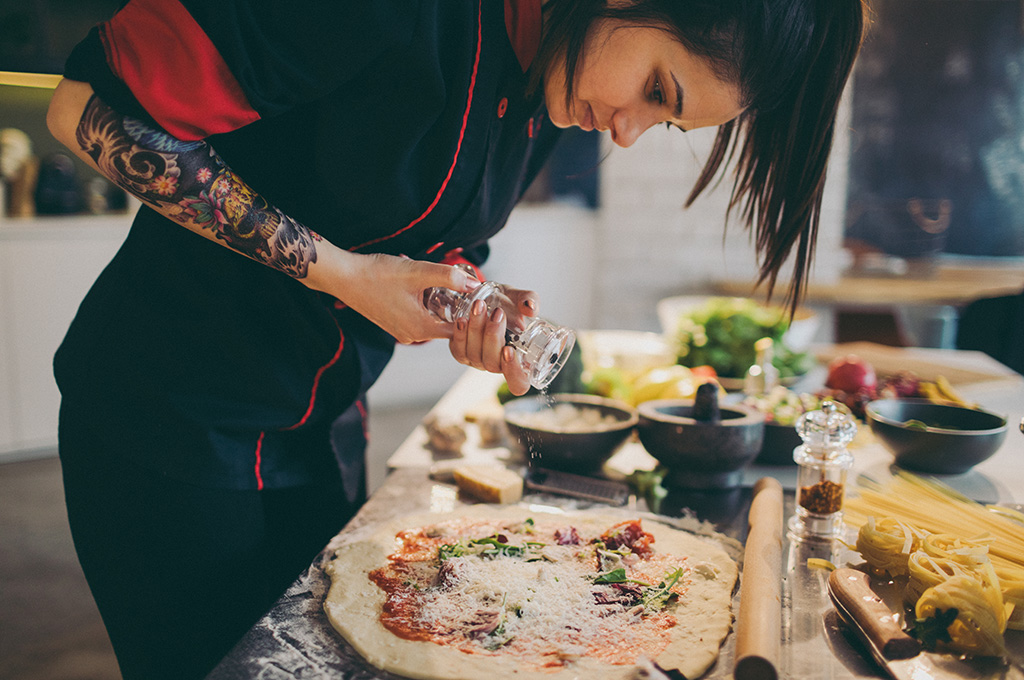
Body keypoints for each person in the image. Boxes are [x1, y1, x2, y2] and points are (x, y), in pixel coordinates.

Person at [46, 1, 865, 678]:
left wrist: (465, 293)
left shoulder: (554, 75)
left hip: (317, 429)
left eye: (665, 121)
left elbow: (402, 219)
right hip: (167, 419)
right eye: (656, 88)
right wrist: (345, 275)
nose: (627, 130)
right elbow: (90, 108)